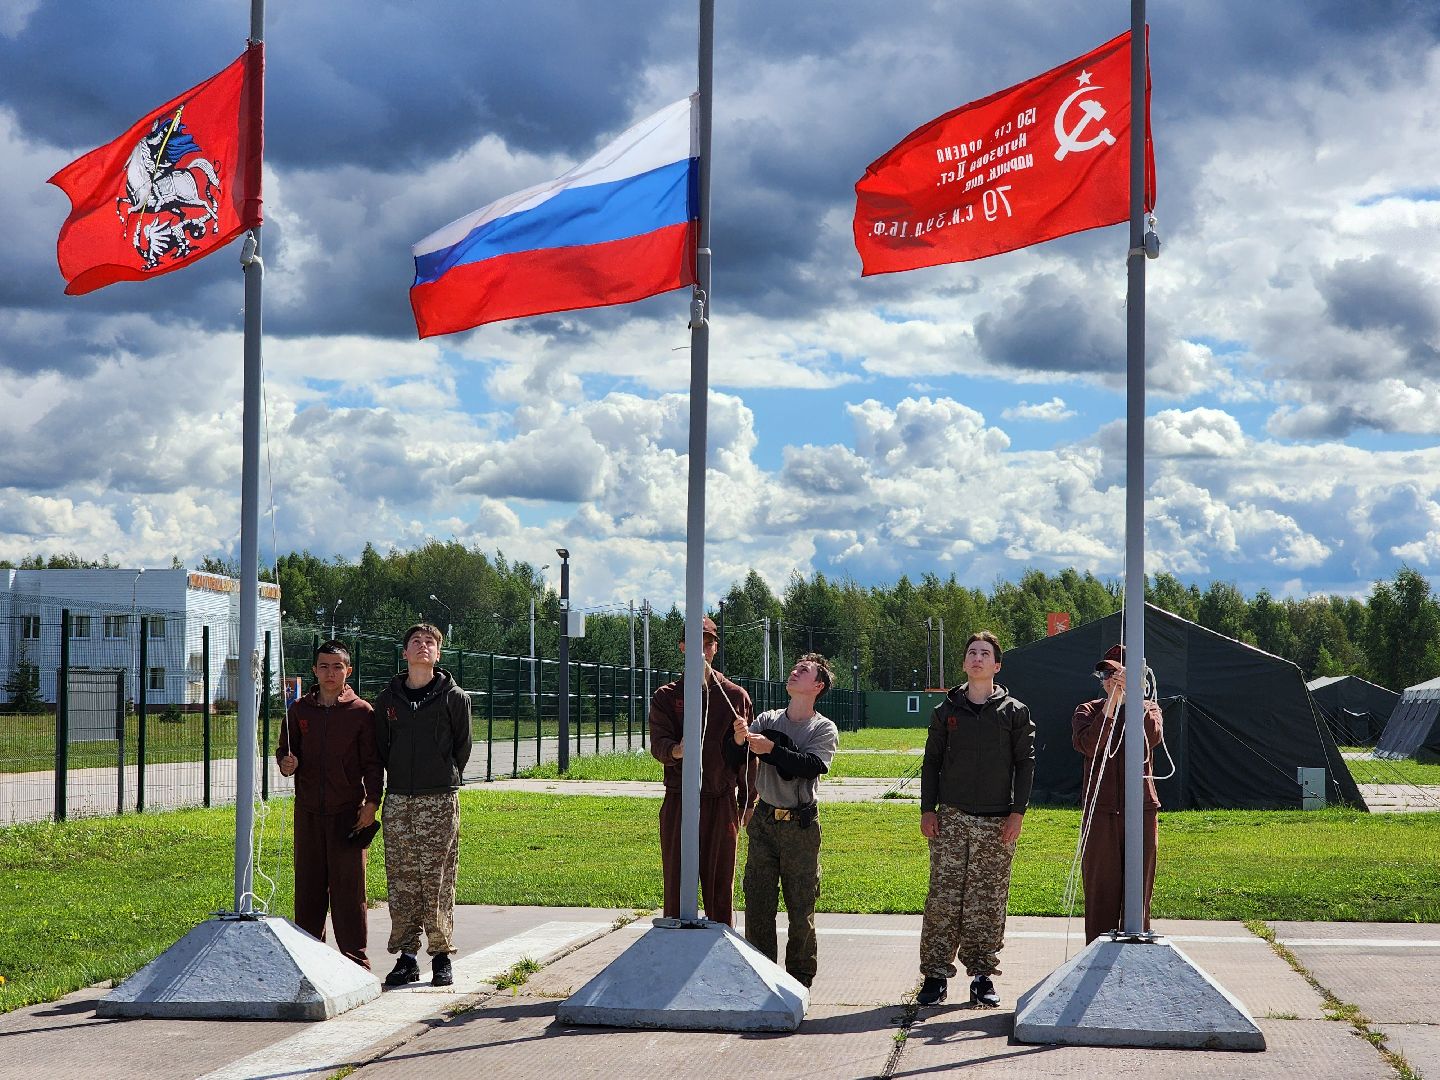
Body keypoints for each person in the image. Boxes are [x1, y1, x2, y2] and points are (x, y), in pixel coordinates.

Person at [916, 630, 1035, 1008]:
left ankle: (982, 976)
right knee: (944, 898)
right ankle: (935, 975)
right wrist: (927, 809)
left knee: (988, 900)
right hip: (951, 817)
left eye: (985, 653)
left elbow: (1025, 764)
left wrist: (1018, 812)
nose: (978, 658)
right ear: (965, 663)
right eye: (972, 653)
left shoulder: (1015, 712)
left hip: (997, 821)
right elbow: (931, 762)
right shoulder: (946, 711)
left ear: (997, 665)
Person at [724, 652, 839, 987]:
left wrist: (769, 749)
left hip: (800, 827)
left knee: (800, 908)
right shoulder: (767, 719)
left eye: (803, 670)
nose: (794, 671)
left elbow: (810, 766)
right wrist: (738, 737)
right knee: (758, 904)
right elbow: (736, 756)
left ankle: (799, 981)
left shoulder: (823, 728)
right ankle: (762, 976)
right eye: (794, 668)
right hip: (763, 823)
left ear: (817, 685)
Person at [374, 623, 473, 988]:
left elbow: (462, 747)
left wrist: (441, 775)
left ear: (438, 653)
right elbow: (381, 748)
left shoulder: (453, 697)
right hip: (399, 799)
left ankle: (442, 955)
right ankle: (407, 956)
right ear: (404, 652)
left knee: (437, 880)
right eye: (415, 641)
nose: (422, 646)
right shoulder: (388, 700)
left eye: (430, 642)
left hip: (439, 799)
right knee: (402, 880)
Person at [276, 640, 382, 968]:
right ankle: (310, 961)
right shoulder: (299, 711)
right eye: (324, 666)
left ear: (348, 671)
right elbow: (284, 751)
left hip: (347, 814)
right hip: (307, 812)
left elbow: (373, 763)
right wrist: (286, 763)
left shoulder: (361, 712)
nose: (330, 673)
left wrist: (371, 802)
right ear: (314, 671)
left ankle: (355, 962)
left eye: (337, 667)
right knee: (308, 889)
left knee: (349, 892)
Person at [648, 615, 756, 926]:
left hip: (720, 800)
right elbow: (658, 743)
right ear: (682, 647)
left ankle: (720, 944)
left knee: (720, 885)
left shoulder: (735, 696)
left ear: (715, 648)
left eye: (707, 644)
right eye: (695, 644)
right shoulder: (667, 696)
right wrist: (677, 750)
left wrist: (748, 800)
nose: (702, 650)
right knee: (677, 882)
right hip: (680, 798)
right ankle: (674, 948)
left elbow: (747, 756)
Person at [1072, 643, 1164, 944]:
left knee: (1138, 891)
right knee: (1101, 889)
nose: (1112, 678)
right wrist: (1111, 704)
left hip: (1141, 808)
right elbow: (1089, 745)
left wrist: (1134, 698)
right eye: (1107, 672)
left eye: (1121, 672)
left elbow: (1152, 738)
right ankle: (1095, 956)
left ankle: (1135, 956)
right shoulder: (1088, 710)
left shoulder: (1149, 708)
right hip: (1100, 811)